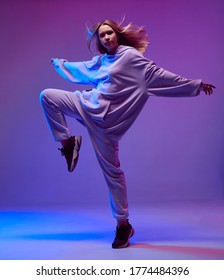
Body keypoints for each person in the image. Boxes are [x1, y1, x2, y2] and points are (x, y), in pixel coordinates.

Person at [40, 19, 215, 249]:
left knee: (113, 175)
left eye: (109, 33)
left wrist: (195, 85)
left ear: (117, 34)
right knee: (47, 96)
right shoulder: (102, 61)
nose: (106, 38)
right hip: (86, 105)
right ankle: (68, 144)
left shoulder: (131, 58)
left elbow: (161, 76)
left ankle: (123, 226)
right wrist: (60, 63)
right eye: (102, 36)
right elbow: (80, 69)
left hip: (108, 128)